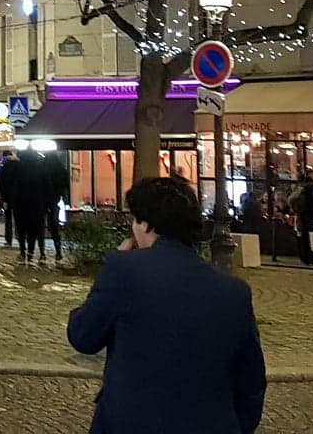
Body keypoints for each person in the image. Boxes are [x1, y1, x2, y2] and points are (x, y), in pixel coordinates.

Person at [68, 176, 267, 434]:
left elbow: (84, 336)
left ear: (146, 224)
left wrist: (114, 272)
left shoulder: (125, 268)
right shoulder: (234, 292)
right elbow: (250, 381)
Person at [291, 180, 313, 267]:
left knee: (303, 237)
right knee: (310, 238)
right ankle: (311, 257)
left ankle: (305, 257)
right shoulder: (310, 194)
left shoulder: (300, 194)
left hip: (302, 218)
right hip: (308, 218)